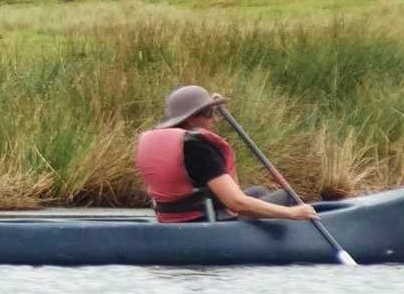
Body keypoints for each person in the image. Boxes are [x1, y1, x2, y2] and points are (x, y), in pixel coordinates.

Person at [135, 85, 319, 223]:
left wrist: (209, 103)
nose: (214, 118)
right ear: (191, 118)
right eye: (209, 113)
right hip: (205, 221)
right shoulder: (198, 149)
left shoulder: (167, 141)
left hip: (173, 219)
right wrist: (293, 213)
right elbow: (237, 203)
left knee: (258, 192)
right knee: (285, 196)